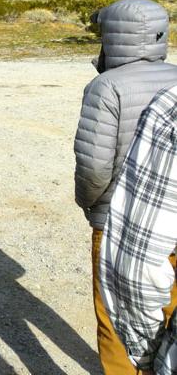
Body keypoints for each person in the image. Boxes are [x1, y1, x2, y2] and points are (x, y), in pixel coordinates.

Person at [74, 0, 177, 374]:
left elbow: (94, 166)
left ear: (112, 36)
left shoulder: (105, 87)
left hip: (118, 222)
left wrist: (87, 204)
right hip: (173, 219)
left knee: (117, 318)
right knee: (170, 314)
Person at [100, 84, 177, 375]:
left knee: (110, 325)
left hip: (121, 216)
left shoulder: (170, 106)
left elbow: (93, 169)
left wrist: (151, 358)